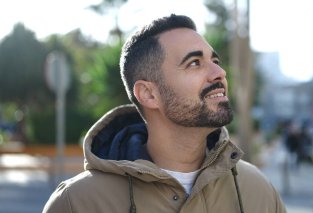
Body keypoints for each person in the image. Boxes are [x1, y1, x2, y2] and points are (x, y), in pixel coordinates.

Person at [43, 14, 285, 213]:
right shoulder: (78, 203)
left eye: (215, 60)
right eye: (194, 63)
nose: (219, 73)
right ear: (148, 94)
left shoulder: (257, 190)